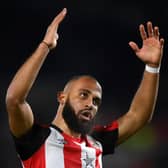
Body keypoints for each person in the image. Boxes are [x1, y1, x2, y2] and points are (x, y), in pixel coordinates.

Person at [6, 8, 164, 168]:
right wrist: (45, 46)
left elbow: (138, 116)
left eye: (96, 101)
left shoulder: (96, 141)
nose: (91, 104)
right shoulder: (36, 139)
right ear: (62, 97)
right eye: (83, 95)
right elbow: (14, 99)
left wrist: (152, 67)